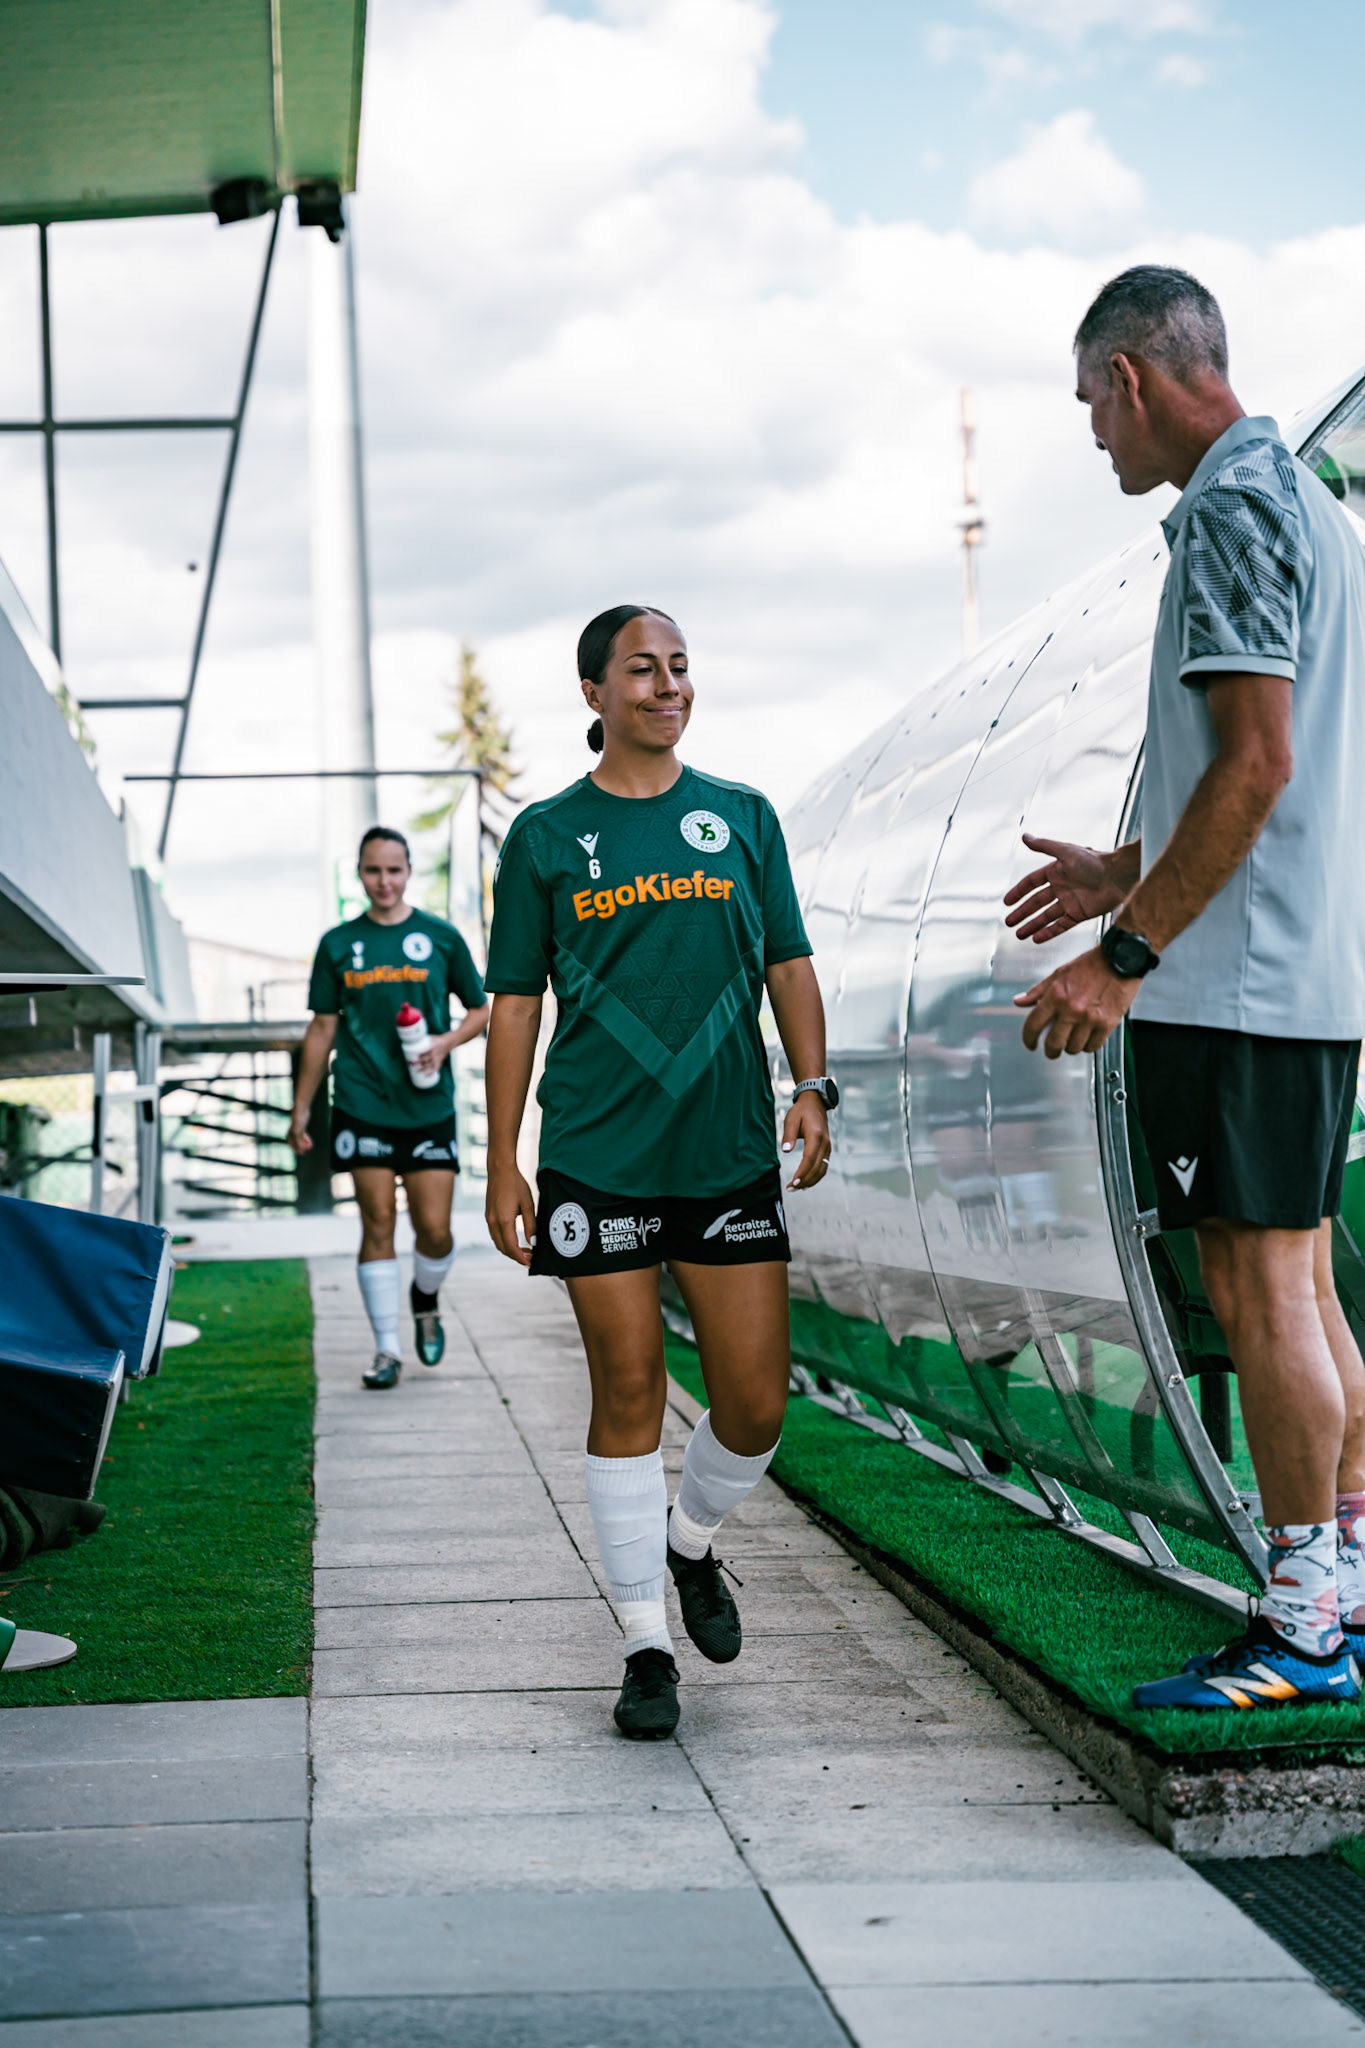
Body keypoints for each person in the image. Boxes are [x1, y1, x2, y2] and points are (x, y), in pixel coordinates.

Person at [1005, 265, 1365, 1711]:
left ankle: (1300, 1632)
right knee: (1307, 1282)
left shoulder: (1223, 509)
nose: (1093, 431)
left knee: (1259, 1283)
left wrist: (1123, 952)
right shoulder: (1313, 506)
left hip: (1237, 983)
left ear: (1134, 381)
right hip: (1303, 967)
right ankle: (1340, 1591)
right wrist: (1126, 869)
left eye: (1090, 400)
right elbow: (1285, 771)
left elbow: (1259, 765)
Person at [483, 605, 835, 1739]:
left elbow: (789, 959)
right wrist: (502, 1158)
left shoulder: (741, 818)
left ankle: (690, 1544)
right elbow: (515, 1009)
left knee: (753, 1400)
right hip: (597, 1151)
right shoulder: (543, 837)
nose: (668, 685)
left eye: (681, 666)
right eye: (643, 669)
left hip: (726, 1150)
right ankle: (644, 1645)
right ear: (593, 693)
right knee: (628, 1385)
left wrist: (812, 1084)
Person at [290, 826, 490, 1389]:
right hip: (360, 1100)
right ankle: (386, 1350)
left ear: (409, 871)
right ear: (359, 873)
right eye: (374, 870)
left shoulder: (441, 938)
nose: (384, 881)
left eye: (394, 870)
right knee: (376, 1222)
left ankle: (424, 1297)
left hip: (428, 1107)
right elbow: (323, 1027)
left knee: (435, 1232)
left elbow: (481, 1010)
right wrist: (301, 1109)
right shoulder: (337, 944)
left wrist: (442, 1044)